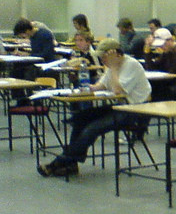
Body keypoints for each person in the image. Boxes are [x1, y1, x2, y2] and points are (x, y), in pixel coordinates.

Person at [37, 39, 151, 178]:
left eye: (104, 57)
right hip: (119, 107)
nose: (102, 60)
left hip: (134, 111)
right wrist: (84, 88)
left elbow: (117, 91)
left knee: (92, 129)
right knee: (80, 119)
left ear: (116, 55)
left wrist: (113, 67)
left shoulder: (131, 65)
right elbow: (100, 86)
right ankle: (71, 164)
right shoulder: (111, 67)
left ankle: (59, 163)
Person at [144, 27, 176, 97]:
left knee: (156, 88)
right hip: (172, 84)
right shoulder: (167, 52)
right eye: (159, 45)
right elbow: (151, 68)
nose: (161, 47)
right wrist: (147, 49)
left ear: (171, 40)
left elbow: (172, 73)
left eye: (163, 44)